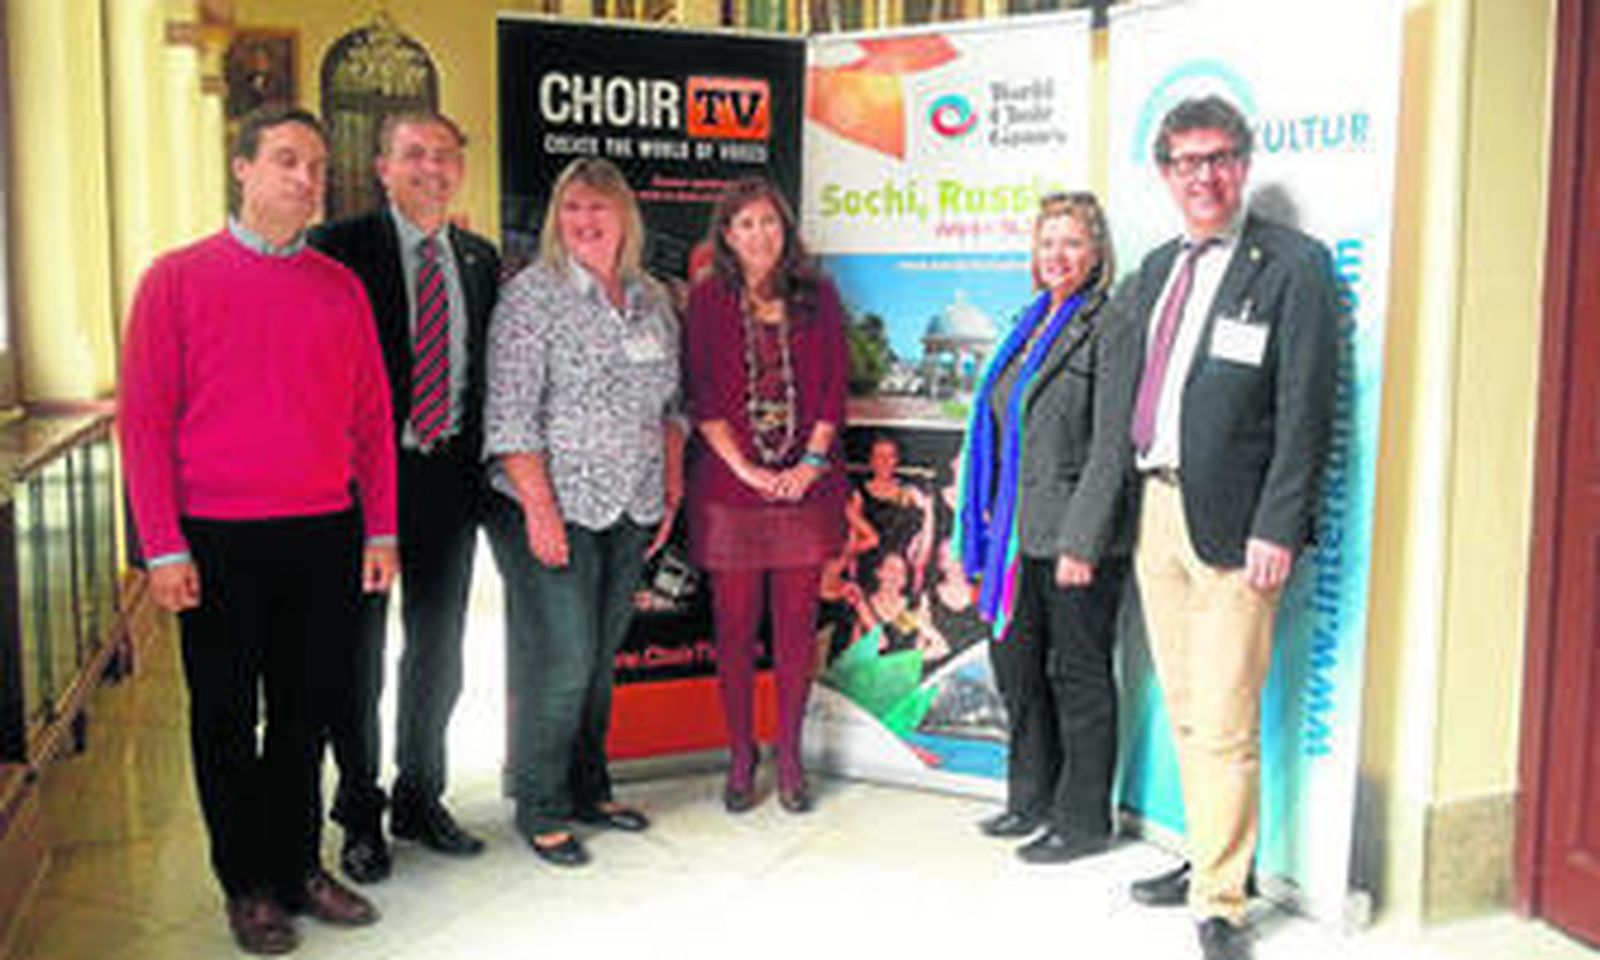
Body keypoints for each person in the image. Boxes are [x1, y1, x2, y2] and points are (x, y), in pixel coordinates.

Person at [118, 106, 397, 954]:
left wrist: (380, 531)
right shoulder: (174, 280)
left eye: (316, 166)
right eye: (286, 160)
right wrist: (162, 546)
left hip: (324, 534)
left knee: (308, 714)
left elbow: (372, 421)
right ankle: (247, 884)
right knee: (226, 721)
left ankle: (299, 867)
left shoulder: (340, 288)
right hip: (217, 541)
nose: (306, 179)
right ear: (242, 168)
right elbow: (144, 424)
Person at [1105, 96, 1339, 960]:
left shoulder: (1294, 265)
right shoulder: (1159, 265)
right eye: (1186, 161)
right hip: (1158, 510)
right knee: (1187, 705)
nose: (1202, 176)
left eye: (1218, 158)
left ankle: (1222, 901)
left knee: (1228, 715)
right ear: (1165, 172)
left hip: (1241, 527)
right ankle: (1209, 852)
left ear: (1242, 164)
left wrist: (1280, 523)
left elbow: (1305, 408)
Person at [309, 111, 500, 882]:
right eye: (414, 154)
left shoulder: (480, 259)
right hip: (360, 491)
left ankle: (422, 795)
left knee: (438, 651)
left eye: (445, 155)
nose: (431, 168)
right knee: (357, 659)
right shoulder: (335, 249)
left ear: (461, 168)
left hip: (448, 484)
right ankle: (360, 812)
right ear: (382, 167)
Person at [482, 157, 684, 867]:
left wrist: (670, 489)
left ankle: (588, 789)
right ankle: (539, 804)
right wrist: (540, 512)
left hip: (631, 503)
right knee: (564, 661)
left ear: (625, 216)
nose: (585, 221)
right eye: (572, 208)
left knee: (598, 662)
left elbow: (672, 408)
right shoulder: (530, 297)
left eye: (599, 207)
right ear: (555, 220)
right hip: (549, 504)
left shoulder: (652, 297)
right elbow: (509, 418)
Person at [955, 191, 1133, 867]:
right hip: (1013, 537)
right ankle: (1030, 798)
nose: (1058, 255)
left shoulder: (1110, 325)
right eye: (1048, 242)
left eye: (1072, 242)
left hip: (1074, 540)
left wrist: (1082, 542)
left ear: (1096, 252)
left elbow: (1112, 447)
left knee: (1079, 677)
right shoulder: (1026, 324)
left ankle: (1082, 820)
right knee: (1017, 670)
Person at [684, 176, 848, 815]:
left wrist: (810, 464)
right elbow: (701, 394)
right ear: (727, 234)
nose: (759, 235)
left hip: (807, 489)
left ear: (786, 229)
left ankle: (790, 756)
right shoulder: (707, 299)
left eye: (770, 221)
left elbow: (833, 387)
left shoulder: (819, 295)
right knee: (732, 629)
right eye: (745, 223)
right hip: (730, 491)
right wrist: (749, 473)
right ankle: (740, 754)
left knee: (796, 633)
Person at [845, 435, 933, 590]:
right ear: (871, 461)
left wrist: (918, 572)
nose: (885, 461)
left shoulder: (911, 493)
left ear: (897, 460)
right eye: (880, 456)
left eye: (890, 456)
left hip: (903, 572)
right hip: (871, 571)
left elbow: (925, 533)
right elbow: (853, 537)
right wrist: (853, 575)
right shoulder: (859, 494)